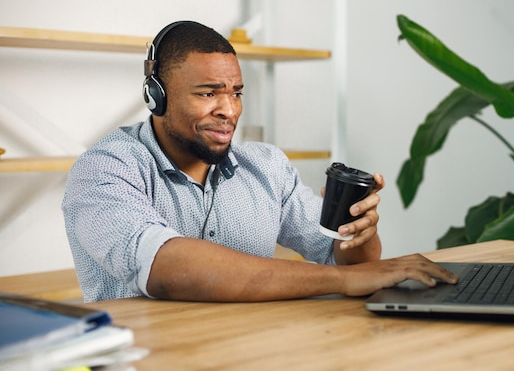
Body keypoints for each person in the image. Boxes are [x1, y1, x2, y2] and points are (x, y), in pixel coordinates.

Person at [62, 21, 458, 303]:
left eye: (236, 93)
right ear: (156, 96)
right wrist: (344, 277)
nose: (229, 110)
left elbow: (341, 258)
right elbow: (166, 268)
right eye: (208, 93)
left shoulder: (266, 165)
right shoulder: (105, 169)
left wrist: (358, 234)